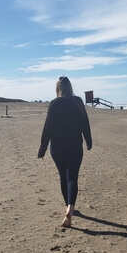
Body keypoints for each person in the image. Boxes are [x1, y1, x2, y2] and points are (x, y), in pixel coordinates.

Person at [38, 76, 92, 227]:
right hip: (75, 144)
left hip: (57, 146)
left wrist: (42, 148)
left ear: (58, 88)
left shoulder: (54, 103)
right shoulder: (78, 102)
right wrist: (89, 141)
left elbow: (47, 127)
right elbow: (85, 123)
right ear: (70, 87)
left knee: (63, 176)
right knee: (72, 177)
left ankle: (67, 206)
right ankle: (71, 206)